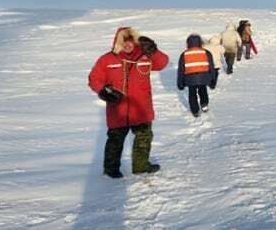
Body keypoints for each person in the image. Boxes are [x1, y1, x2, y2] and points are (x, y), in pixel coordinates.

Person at [88, 27, 169, 179]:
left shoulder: (146, 56)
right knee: (115, 141)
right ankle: (111, 170)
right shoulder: (107, 59)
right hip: (118, 109)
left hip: (141, 108)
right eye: (124, 41)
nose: (128, 45)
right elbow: (94, 78)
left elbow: (162, 63)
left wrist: (154, 50)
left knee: (144, 138)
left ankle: (141, 166)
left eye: (131, 41)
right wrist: (103, 91)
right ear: (118, 43)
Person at [177, 34, 218, 117]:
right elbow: (211, 66)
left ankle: (195, 111)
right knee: (203, 90)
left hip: (190, 78)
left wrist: (180, 83)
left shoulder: (184, 54)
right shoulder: (206, 52)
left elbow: (181, 70)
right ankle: (204, 104)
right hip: (204, 77)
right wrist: (213, 79)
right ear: (200, 42)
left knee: (192, 94)